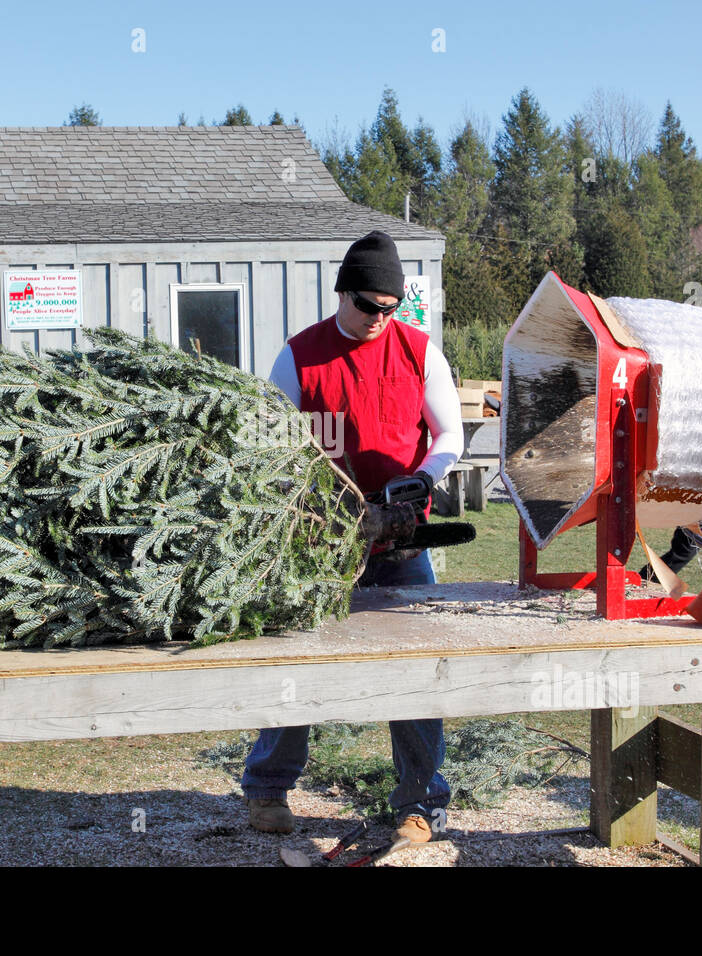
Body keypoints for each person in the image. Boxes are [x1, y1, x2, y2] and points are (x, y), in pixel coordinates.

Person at [241, 230, 464, 845]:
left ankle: (421, 803)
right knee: (297, 662)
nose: (378, 319)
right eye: (368, 306)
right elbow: (270, 444)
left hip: (401, 542)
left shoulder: (421, 353)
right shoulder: (299, 356)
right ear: (343, 293)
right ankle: (267, 789)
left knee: (417, 673)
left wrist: (422, 479)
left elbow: (450, 434)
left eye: (391, 310)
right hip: (317, 542)